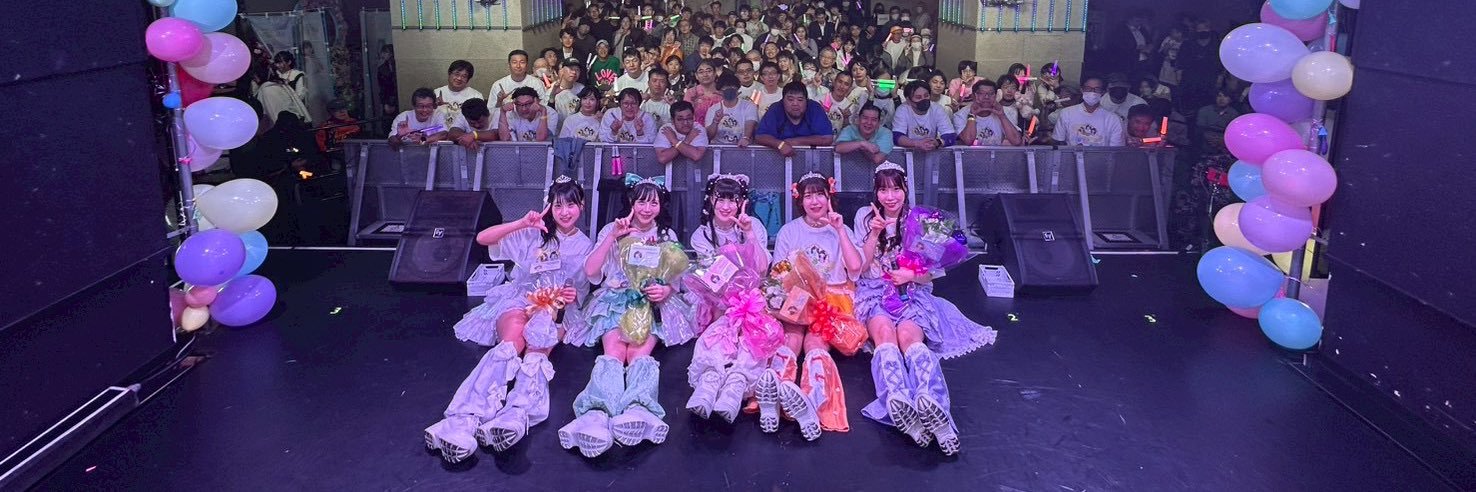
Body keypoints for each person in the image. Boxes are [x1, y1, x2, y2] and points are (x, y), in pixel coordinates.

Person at [427, 177, 592, 461]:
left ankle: (517, 414)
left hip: (555, 309)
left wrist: (570, 294)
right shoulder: (533, 232)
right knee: (512, 342)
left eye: (571, 205)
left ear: (582, 206)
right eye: (558, 205)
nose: (564, 212)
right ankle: (463, 419)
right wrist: (521, 223)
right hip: (520, 298)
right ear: (549, 207)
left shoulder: (585, 245)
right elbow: (483, 239)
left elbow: (581, 291)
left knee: (538, 347)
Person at [852, 163, 995, 457]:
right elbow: (860, 267)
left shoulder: (922, 220)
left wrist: (910, 276)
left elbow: (935, 272)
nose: (890, 196)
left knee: (909, 339)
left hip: (911, 294)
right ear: (876, 192)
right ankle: (898, 400)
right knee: (885, 337)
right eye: (883, 189)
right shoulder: (864, 217)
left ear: (906, 189)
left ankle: (933, 405)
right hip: (875, 293)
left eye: (896, 189)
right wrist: (874, 233)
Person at [560, 176, 694, 458]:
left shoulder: (666, 235)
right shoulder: (613, 229)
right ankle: (596, 413)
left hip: (651, 305)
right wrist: (613, 237)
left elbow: (677, 278)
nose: (646, 208)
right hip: (615, 301)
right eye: (641, 201)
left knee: (639, 354)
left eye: (653, 203)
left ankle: (639, 409)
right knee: (614, 351)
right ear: (631, 202)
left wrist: (665, 289)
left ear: (661, 206)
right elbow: (591, 271)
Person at [760, 172, 865, 441]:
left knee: (815, 343)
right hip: (796, 297)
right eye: (809, 196)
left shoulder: (842, 229)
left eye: (820, 195)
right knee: (791, 337)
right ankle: (773, 395)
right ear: (800, 200)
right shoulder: (789, 231)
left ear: (829, 197)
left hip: (831, 298)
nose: (815, 201)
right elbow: (778, 272)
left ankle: (813, 399)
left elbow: (855, 269)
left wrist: (839, 230)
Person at [682, 173, 774, 424]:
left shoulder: (753, 226)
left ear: (742, 202)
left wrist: (750, 233)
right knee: (723, 322)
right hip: (718, 297)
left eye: (732, 200)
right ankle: (710, 380)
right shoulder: (702, 234)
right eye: (720, 199)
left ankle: (736, 384)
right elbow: (710, 278)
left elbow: (762, 269)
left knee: (750, 324)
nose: (726, 206)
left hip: (752, 294)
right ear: (710, 200)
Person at [755, 81, 836, 157]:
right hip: (778, 158)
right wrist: (780, 144)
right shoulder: (775, 109)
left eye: (800, 100)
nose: (795, 103)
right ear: (783, 100)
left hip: (811, 159)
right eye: (790, 99)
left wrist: (795, 141)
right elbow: (760, 136)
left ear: (806, 101)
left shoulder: (814, 108)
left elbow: (827, 138)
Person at [1050, 77, 1126, 147]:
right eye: (1088, 88)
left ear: (1103, 92)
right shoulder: (1066, 113)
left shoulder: (1114, 120)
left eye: (1097, 89)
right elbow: (1058, 143)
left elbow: (1116, 151)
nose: (1092, 92)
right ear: (1082, 90)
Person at [892, 80, 956, 151]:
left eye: (926, 96)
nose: (923, 99)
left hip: (931, 151)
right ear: (908, 100)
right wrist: (917, 144)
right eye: (918, 97)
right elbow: (897, 136)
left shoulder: (937, 109)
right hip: (907, 153)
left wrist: (937, 142)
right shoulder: (902, 110)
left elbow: (951, 135)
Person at [955, 80, 1024, 146]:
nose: (986, 97)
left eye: (991, 93)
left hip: (995, 153)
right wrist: (972, 115)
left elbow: (1016, 141)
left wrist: (1002, 116)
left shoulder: (1003, 111)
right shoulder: (960, 115)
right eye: (981, 93)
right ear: (973, 96)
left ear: (995, 96)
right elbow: (968, 140)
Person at [705, 73, 758, 146]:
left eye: (733, 87)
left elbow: (750, 123)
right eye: (726, 88)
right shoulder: (713, 109)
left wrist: (746, 138)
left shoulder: (749, 106)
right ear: (720, 91)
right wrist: (715, 121)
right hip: (719, 149)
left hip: (742, 148)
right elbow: (709, 136)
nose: (730, 91)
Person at [434, 60, 484, 128]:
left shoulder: (476, 96)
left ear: (468, 79)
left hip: (464, 132)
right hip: (441, 131)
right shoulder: (436, 93)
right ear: (449, 74)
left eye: (464, 76)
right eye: (457, 74)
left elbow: (479, 121)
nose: (459, 78)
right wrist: (435, 106)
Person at [685, 59, 725, 123]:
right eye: (701, 72)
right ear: (696, 76)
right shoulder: (691, 93)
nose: (705, 75)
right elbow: (686, 115)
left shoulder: (723, 91)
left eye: (708, 71)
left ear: (715, 73)